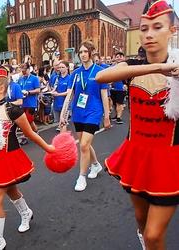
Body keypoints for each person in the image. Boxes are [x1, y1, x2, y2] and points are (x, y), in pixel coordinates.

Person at [95, 1, 179, 249]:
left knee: (154, 234)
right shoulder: (132, 68)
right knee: (141, 221)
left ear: (172, 31)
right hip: (137, 156)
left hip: (169, 160)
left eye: (157, 27)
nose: (149, 34)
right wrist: (160, 68)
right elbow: (100, 77)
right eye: (144, 28)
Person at [0, 63, 55, 250]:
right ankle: (26, 212)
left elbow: (30, 133)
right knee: (11, 190)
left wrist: (49, 148)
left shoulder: (12, 110)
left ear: (2, 88)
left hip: (9, 159)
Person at [60, 41, 110, 192]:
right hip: (78, 112)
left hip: (94, 112)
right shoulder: (75, 74)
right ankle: (95, 165)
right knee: (84, 144)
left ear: (91, 52)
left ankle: (82, 176)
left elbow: (104, 95)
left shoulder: (100, 72)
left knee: (83, 145)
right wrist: (63, 114)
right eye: (80, 52)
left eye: (85, 51)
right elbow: (70, 95)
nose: (82, 54)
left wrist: (107, 116)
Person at [18, 63, 40, 144]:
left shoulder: (34, 78)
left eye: (24, 71)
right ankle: (36, 131)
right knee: (29, 121)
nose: (23, 73)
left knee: (26, 120)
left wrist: (28, 92)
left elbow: (38, 90)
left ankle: (25, 136)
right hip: (22, 103)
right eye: (22, 71)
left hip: (31, 103)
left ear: (28, 69)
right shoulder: (20, 79)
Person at [52, 61, 70, 131]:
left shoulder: (69, 78)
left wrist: (58, 94)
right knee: (58, 122)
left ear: (67, 68)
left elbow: (69, 92)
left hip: (65, 103)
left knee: (62, 124)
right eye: (59, 67)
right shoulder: (56, 78)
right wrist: (52, 92)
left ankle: (64, 138)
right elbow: (53, 87)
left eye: (63, 67)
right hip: (57, 102)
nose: (61, 69)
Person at [110, 52, 127, 124]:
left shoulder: (126, 66)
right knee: (114, 103)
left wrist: (126, 84)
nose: (119, 58)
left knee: (119, 103)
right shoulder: (112, 66)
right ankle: (116, 115)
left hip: (121, 88)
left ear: (123, 58)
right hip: (113, 88)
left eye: (120, 56)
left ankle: (119, 117)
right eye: (117, 56)